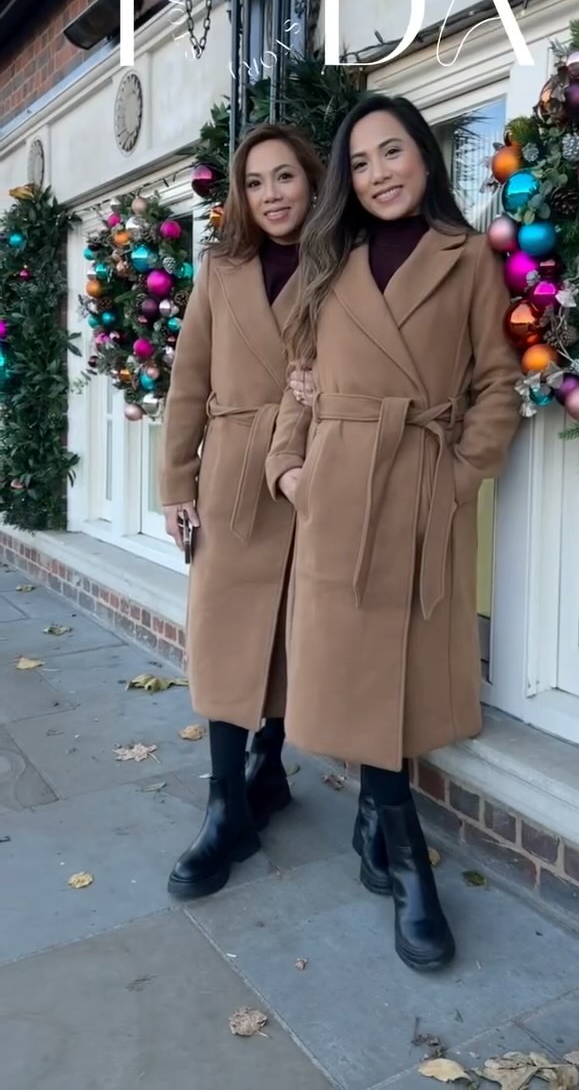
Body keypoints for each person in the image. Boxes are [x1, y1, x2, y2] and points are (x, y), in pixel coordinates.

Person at [266, 93, 521, 972]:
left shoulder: (469, 257)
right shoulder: (327, 262)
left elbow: (497, 383)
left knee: (397, 675)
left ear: (426, 156)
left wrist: (456, 478)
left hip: (420, 487)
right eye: (362, 161)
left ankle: (383, 831)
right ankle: (408, 857)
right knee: (360, 673)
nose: (378, 174)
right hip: (338, 493)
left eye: (393, 153)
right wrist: (290, 471)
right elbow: (299, 377)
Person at [158, 124, 325, 900]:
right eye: (256, 182)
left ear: (311, 181)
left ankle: (271, 766)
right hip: (229, 472)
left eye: (284, 177)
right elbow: (188, 382)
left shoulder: (341, 265)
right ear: (241, 195)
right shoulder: (220, 271)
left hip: (309, 470)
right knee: (225, 636)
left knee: (293, 635)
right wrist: (175, 485)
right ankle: (226, 806)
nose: (272, 195)